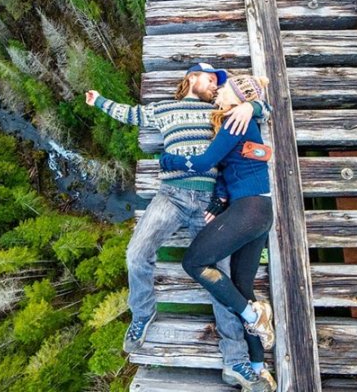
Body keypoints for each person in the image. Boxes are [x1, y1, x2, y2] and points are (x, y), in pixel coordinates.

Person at [84, 63, 271, 391]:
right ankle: (142, 313)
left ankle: (236, 360)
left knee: (220, 276)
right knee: (135, 253)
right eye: (210, 79)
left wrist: (250, 104)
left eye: (218, 83)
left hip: (210, 203)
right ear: (191, 78)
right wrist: (98, 100)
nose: (214, 86)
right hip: (170, 196)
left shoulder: (221, 113)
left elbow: (262, 110)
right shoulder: (163, 108)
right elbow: (129, 113)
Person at [159, 75, 276, 392]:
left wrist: (168, 159)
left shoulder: (232, 120)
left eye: (223, 88)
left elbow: (204, 162)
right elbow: (234, 165)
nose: (218, 90)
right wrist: (220, 198)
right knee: (241, 286)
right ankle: (257, 367)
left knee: (194, 262)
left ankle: (252, 314)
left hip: (249, 210)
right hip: (260, 212)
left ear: (235, 96)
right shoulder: (243, 119)